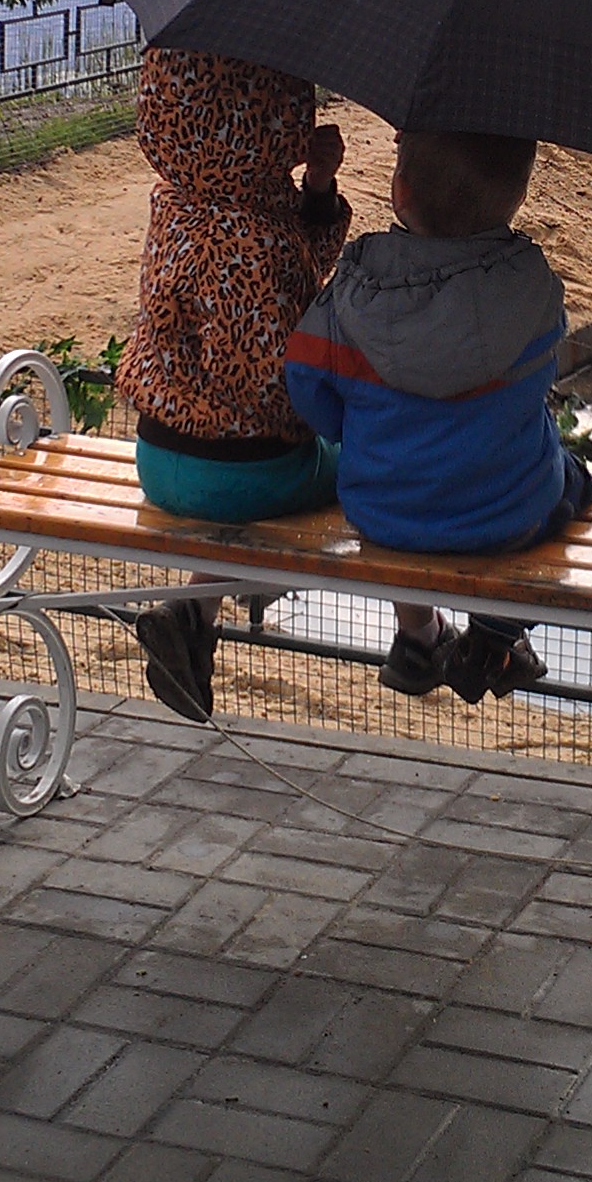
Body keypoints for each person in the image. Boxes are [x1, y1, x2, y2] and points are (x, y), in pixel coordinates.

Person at [284, 127, 592, 704]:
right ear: (518, 196)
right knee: (575, 486)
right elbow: (541, 379)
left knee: (410, 491)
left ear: (399, 192)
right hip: (505, 521)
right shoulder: (533, 285)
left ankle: (417, 639)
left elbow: (304, 381)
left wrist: (357, 428)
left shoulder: (353, 287)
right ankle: (495, 634)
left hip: (383, 514)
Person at [121, 47, 349, 722]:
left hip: (157, 458)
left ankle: (191, 619)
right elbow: (269, 387)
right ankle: (422, 632)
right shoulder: (253, 235)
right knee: (362, 467)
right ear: (271, 114)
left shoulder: (175, 205)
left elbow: (296, 260)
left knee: (245, 474)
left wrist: (315, 192)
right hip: (242, 476)